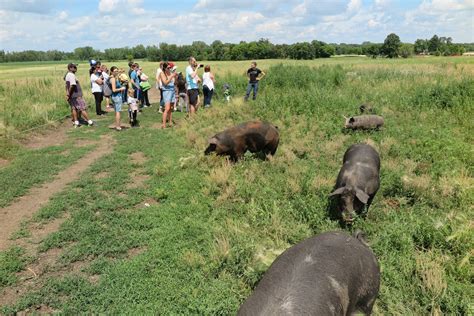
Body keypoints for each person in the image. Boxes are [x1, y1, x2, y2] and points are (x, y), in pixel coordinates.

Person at [65, 63, 94, 128]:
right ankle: (90, 122)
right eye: (74, 67)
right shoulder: (71, 75)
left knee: (74, 108)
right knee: (82, 108)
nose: (76, 68)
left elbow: (67, 85)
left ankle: (76, 122)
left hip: (72, 96)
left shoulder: (69, 75)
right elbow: (72, 85)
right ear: (70, 68)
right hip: (76, 95)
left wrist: (68, 95)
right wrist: (68, 94)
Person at [160, 62, 177, 129]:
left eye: (170, 67)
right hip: (166, 92)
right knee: (167, 108)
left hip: (172, 91)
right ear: (164, 68)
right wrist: (172, 76)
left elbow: (174, 83)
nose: (169, 69)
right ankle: (163, 124)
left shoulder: (170, 73)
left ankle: (170, 122)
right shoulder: (162, 73)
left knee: (171, 108)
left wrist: (175, 77)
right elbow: (165, 83)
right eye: (168, 68)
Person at [110, 66, 127, 131]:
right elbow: (114, 90)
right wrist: (121, 88)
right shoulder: (113, 79)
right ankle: (118, 126)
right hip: (116, 96)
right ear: (111, 71)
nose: (116, 72)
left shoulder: (112, 78)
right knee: (118, 112)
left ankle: (118, 125)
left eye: (117, 71)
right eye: (115, 71)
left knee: (117, 111)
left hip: (115, 96)